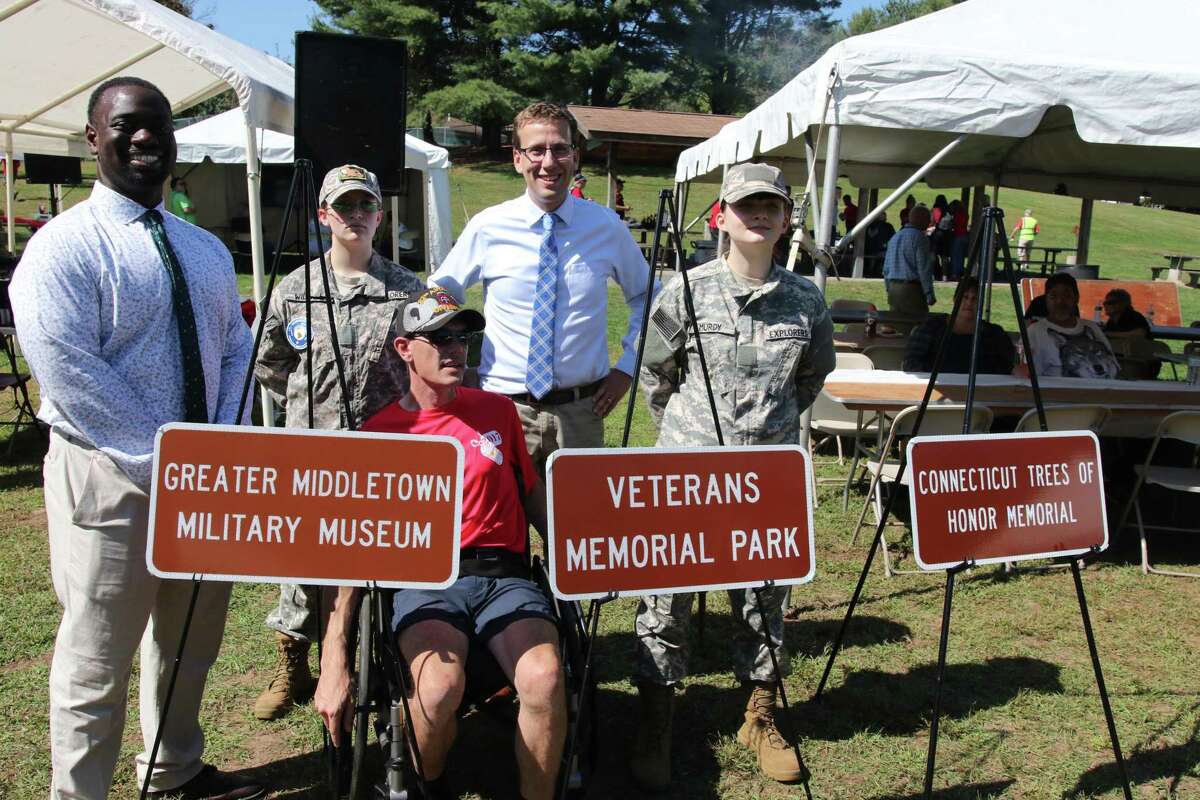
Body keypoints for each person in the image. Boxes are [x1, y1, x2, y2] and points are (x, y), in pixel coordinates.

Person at [9, 76, 262, 799]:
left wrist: (222, 444)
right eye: (125, 126)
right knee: (96, 656)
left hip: (202, 480)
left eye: (156, 124)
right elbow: (70, 372)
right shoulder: (63, 249)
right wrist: (165, 462)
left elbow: (235, 346)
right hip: (108, 475)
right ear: (94, 139)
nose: (145, 137)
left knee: (188, 644)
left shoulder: (205, 248)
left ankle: (173, 770)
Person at [313, 289, 565, 800]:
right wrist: (334, 652)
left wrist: (578, 557)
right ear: (405, 348)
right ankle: (430, 784)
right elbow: (359, 546)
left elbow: (533, 496)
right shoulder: (382, 432)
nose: (455, 349)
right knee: (438, 687)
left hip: (505, 578)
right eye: (440, 338)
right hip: (427, 583)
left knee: (544, 677)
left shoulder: (498, 412)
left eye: (463, 337)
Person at [631, 163, 835, 790]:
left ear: (786, 218)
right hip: (687, 476)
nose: (760, 215)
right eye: (746, 205)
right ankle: (656, 716)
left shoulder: (806, 300)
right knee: (666, 599)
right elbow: (657, 380)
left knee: (764, 596)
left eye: (771, 205)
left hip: (766, 478)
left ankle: (760, 714)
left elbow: (809, 380)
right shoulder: (685, 291)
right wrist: (696, 438)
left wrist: (761, 436)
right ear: (721, 214)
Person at [252, 164, 426, 721]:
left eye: (365, 206)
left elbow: (426, 366)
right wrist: (309, 406)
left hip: (382, 455)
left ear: (380, 214)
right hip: (311, 454)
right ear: (323, 215)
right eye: (343, 207)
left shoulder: (408, 290)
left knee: (378, 562)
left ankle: (372, 658)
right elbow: (270, 363)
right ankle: (293, 661)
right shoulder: (295, 289)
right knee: (304, 560)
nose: (355, 216)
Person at [429, 101, 654, 474]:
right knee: (502, 528)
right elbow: (441, 294)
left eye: (559, 149)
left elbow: (649, 297)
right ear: (518, 158)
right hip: (502, 411)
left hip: (581, 415)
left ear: (575, 156)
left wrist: (627, 368)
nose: (548, 162)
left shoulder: (606, 227)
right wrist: (460, 363)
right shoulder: (490, 227)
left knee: (577, 530)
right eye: (536, 150)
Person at [903, 277, 1016, 374]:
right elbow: (910, 362)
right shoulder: (931, 328)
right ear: (955, 300)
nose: (969, 303)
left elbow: (1010, 365)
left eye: (974, 299)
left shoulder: (995, 334)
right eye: (965, 297)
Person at [1026, 272, 1119, 379]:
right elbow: (1028, 375)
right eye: (1053, 296)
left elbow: (1113, 368)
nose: (1060, 301)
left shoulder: (1092, 328)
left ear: (1076, 298)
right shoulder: (1035, 331)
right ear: (1046, 300)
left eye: (1067, 296)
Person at [883, 203, 935, 321]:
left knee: (897, 326)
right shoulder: (921, 238)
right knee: (916, 324)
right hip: (911, 290)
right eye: (928, 220)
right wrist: (929, 293)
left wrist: (888, 288)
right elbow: (924, 268)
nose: (929, 223)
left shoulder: (895, 237)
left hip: (893, 288)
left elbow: (886, 268)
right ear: (921, 219)